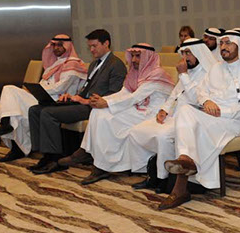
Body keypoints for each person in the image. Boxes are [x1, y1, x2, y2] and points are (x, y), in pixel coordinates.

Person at [158, 30, 240, 210]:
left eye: (228, 43)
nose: (223, 47)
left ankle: (180, 187)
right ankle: (185, 159)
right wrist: (206, 101)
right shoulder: (216, 68)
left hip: (234, 121)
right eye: (222, 43)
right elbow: (201, 91)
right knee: (185, 110)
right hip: (210, 115)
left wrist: (221, 111)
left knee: (195, 128)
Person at [67, 44, 176, 184]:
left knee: (107, 118)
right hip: (136, 108)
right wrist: (103, 100)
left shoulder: (157, 73)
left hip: (152, 113)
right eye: (133, 56)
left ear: (148, 57)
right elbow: (124, 93)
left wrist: (107, 103)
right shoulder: (135, 72)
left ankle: (102, 164)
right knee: (98, 112)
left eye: (138, 56)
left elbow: (135, 97)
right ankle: (93, 157)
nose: (134, 60)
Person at [29, 29, 127, 174]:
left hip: (95, 107)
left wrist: (86, 100)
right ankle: (45, 154)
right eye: (90, 47)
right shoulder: (94, 64)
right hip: (83, 102)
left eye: (94, 46)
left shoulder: (116, 65)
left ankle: (55, 159)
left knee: (48, 113)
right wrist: (72, 96)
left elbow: (114, 94)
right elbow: (86, 87)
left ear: (106, 44)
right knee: (35, 110)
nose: (91, 50)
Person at [127, 37, 218, 192]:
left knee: (162, 137)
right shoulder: (188, 72)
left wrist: (183, 75)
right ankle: (150, 173)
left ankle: (163, 179)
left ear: (199, 53)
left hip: (191, 120)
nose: (185, 57)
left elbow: (197, 99)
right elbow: (175, 94)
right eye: (183, 53)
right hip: (173, 115)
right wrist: (164, 109)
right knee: (136, 131)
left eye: (189, 53)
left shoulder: (209, 74)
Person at [0, 34, 88, 162]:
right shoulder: (54, 64)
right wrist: (35, 90)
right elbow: (44, 84)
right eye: (54, 45)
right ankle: (8, 128)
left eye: (60, 45)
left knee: (16, 109)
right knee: (10, 93)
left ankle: (15, 145)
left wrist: (37, 90)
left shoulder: (73, 65)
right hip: (42, 98)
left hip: (57, 102)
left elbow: (59, 88)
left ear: (68, 46)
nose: (56, 48)